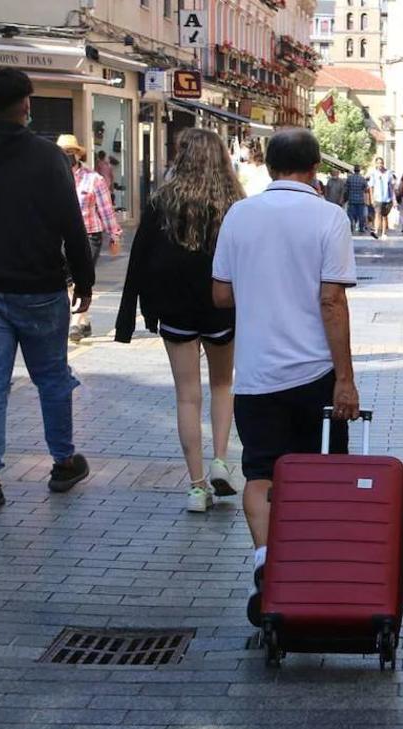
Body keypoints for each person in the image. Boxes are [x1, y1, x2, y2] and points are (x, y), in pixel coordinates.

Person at [211, 129, 360, 622]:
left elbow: (221, 296)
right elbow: (332, 300)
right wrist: (345, 378)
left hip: (255, 371)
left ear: (270, 166)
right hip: (313, 371)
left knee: (260, 469)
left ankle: (264, 559)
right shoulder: (329, 217)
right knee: (308, 471)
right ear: (315, 167)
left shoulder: (239, 214)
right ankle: (300, 566)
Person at [0, 68, 94, 513]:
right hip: (40, 286)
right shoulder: (48, 157)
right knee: (51, 378)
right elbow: (71, 222)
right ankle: (63, 462)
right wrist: (85, 280)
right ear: (27, 105)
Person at [116, 129, 241, 512]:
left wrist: (127, 321)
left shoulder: (162, 202)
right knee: (222, 385)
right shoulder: (234, 203)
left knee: (187, 395)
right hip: (221, 308)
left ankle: (196, 486)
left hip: (174, 309)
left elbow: (138, 261)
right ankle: (221, 460)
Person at [58, 134, 121, 343]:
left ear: (77, 154)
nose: (66, 156)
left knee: (81, 276)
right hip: (60, 235)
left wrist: (114, 235)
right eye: (62, 152)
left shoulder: (94, 179)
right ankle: (83, 318)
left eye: (70, 152)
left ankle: (76, 321)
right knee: (67, 279)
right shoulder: (52, 178)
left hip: (89, 234)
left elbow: (105, 209)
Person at [368, 156, 396, 240]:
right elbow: (371, 186)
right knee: (377, 214)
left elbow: (391, 186)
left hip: (386, 198)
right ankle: (376, 231)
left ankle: (384, 233)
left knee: (384, 216)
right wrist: (371, 198)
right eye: (378, 163)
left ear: (383, 164)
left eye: (381, 163)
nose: (380, 164)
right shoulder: (374, 173)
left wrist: (393, 199)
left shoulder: (388, 173)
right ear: (376, 164)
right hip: (377, 197)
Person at [345, 164, 370, 234]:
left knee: (350, 215)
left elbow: (346, 188)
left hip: (351, 199)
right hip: (360, 199)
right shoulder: (362, 179)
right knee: (361, 215)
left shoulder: (349, 178)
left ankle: (351, 227)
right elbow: (366, 188)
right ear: (359, 170)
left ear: (354, 170)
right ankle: (361, 228)